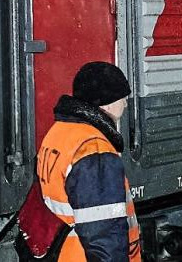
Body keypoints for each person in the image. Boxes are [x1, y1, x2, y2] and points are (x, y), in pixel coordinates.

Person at [37, 61, 142, 261]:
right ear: (108, 103)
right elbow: (104, 234)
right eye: (123, 99)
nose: (125, 104)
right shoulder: (94, 150)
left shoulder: (59, 133)